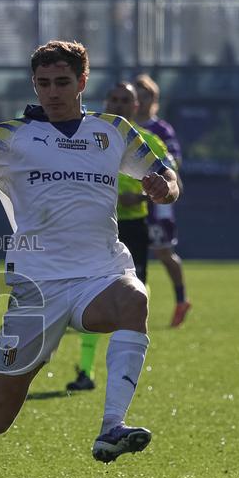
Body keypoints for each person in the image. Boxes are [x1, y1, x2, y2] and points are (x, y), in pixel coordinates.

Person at [0, 40, 179, 478]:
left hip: (101, 271)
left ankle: (111, 427)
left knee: (134, 300)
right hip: (38, 286)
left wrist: (164, 185)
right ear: (33, 84)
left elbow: (165, 174)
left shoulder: (113, 131)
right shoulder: (11, 137)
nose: (53, 92)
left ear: (83, 81)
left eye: (62, 82)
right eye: (43, 83)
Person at [66, 81, 176, 392]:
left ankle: (123, 375)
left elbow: (171, 179)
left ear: (136, 107)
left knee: (134, 296)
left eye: (125, 100)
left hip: (133, 228)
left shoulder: (149, 141)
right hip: (96, 228)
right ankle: (85, 371)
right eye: (113, 99)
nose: (118, 105)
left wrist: (143, 198)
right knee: (89, 294)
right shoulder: (86, 138)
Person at [133, 73, 192, 328]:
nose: (140, 101)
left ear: (153, 99)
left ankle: (181, 300)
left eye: (145, 96)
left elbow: (172, 164)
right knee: (132, 258)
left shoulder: (161, 130)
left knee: (164, 252)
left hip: (156, 203)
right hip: (128, 203)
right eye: (137, 96)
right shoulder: (126, 128)